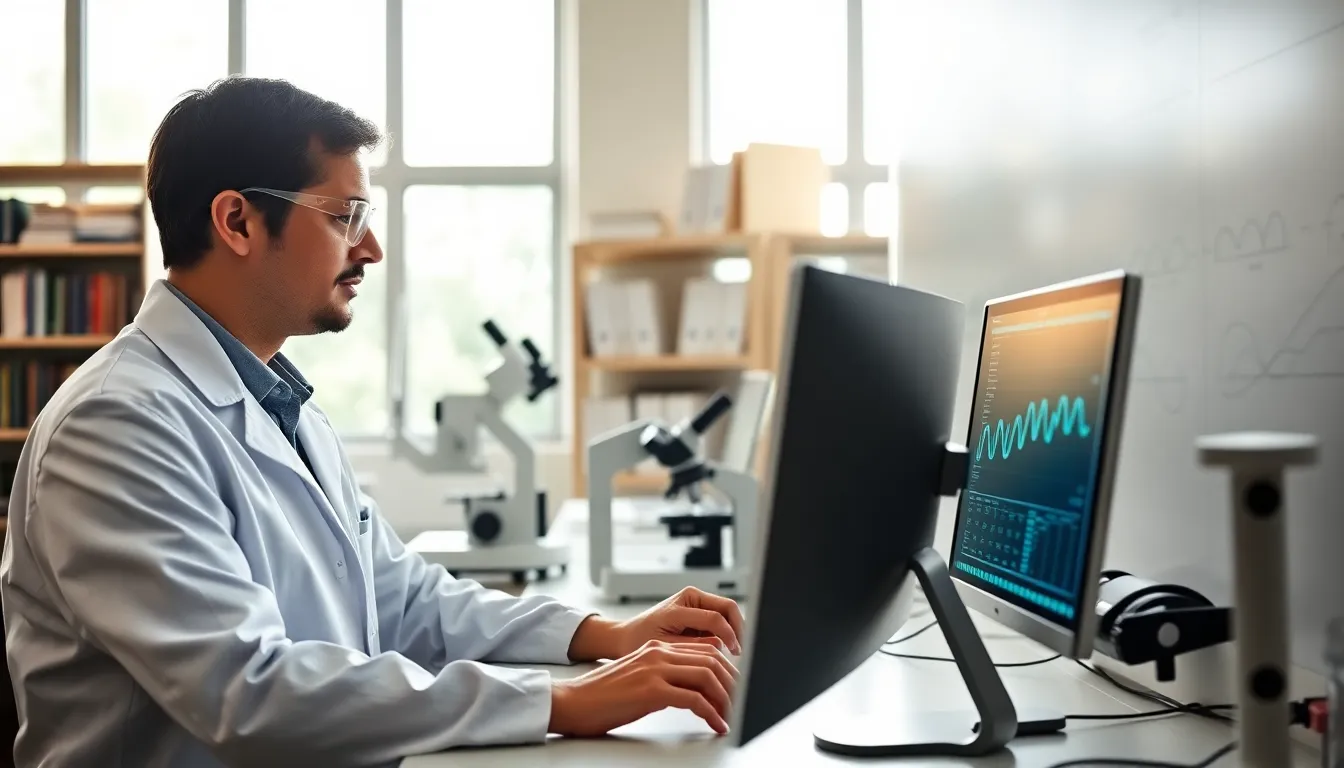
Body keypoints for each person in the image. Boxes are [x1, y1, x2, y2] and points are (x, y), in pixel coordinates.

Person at [0, 76, 742, 768]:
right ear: (237, 222)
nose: (371, 249)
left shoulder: (278, 400)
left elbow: (400, 598)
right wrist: (563, 699)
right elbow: (245, 688)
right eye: (345, 216)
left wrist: (601, 636)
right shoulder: (116, 426)